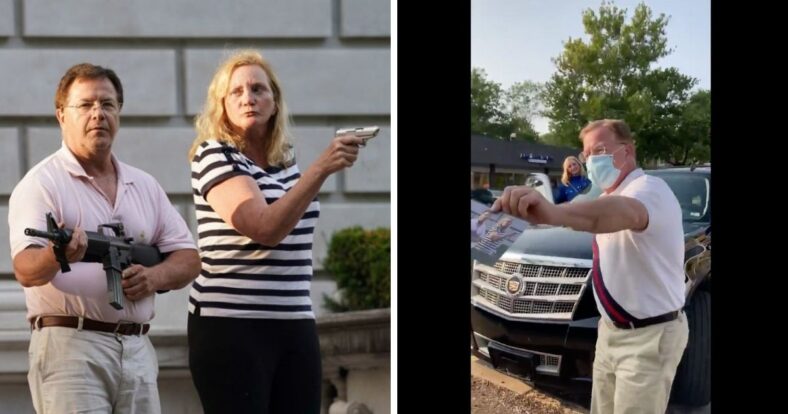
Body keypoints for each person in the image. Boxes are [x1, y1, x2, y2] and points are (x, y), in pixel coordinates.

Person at [8, 63, 201, 414]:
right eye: (85, 105)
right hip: (72, 348)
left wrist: (153, 277)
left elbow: (188, 257)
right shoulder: (41, 184)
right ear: (61, 115)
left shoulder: (143, 185)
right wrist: (58, 253)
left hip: (138, 348)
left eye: (107, 104)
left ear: (119, 112)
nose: (98, 114)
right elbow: (25, 268)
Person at [186, 49, 366, 414]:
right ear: (221, 105)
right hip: (230, 326)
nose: (248, 98)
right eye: (235, 92)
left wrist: (309, 172)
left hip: (294, 321)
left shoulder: (286, 162)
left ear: (275, 101)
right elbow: (263, 228)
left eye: (257, 89)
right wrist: (321, 169)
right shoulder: (214, 154)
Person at [493, 119, 688, 414]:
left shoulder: (649, 189)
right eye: (587, 154)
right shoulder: (606, 195)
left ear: (628, 151)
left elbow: (616, 214)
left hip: (648, 338)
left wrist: (553, 213)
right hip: (610, 331)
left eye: (600, 150)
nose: (592, 160)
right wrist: (528, 213)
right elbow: (580, 212)